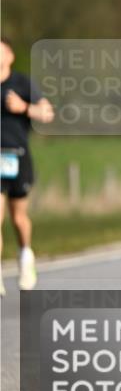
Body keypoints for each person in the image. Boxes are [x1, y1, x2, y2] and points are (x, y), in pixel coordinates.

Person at [0, 39, 55, 297]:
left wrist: (23, 107)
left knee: (18, 218)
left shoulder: (21, 83)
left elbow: (47, 113)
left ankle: (25, 256)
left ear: (10, 55)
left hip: (17, 157)